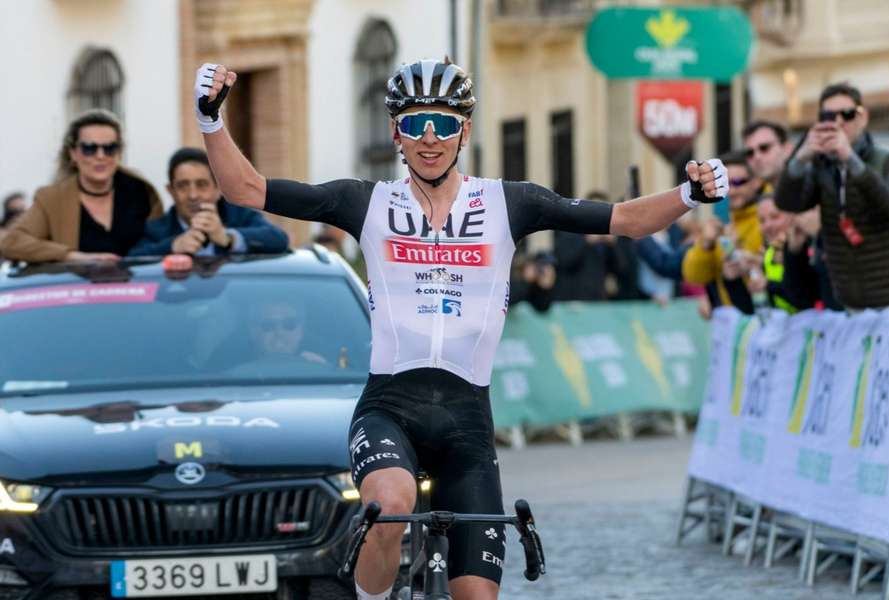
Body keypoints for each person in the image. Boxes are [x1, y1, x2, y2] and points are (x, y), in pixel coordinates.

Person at [192, 58, 728, 600]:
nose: (430, 138)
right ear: (396, 131)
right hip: (389, 407)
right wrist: (212, 120)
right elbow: (246, 189)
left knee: (476, 594)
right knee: (392, 506)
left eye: (444, 124)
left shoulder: (510, 202)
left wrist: (689, 196)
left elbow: (623, 220)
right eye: (416, 123)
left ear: (465, 130)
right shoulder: (366, 201)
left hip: (467, 421)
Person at [775, 82, 889, 310]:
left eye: (848, 114)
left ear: (863, 118)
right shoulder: (822, 166)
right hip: (848, 301)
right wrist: (800, 158)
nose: (839, 121)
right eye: (829, 115)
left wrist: (849, 158)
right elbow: (788, 202)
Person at [0, 110, 163, 263]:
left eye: (110, 148)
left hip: (139, 290)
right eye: (89, 149)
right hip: (76, 291)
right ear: (73, 153)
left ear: (119, 152)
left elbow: (160, 241)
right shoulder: (53, 199)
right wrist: (72, 256)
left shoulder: (142, 192)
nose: (100, 156)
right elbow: (11, 243)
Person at [129, 147, 289, 256]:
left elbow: (279, 239)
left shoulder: (239, 216)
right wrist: (172, 247)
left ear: (218, 189)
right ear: (171, 191)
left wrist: (228, 238)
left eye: (202, 185)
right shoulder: (155, 230)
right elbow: (131, 260)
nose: (193, 195)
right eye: (183, 186)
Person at [682, 151, 764, 315]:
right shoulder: (724, 224)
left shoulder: (767, 218)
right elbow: (693, 276)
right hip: (735, 323)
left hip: (768, 317)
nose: (732, 191)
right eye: (727, 184)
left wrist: (752, 262)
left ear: (756, 182)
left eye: (739, 182)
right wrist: (706, 243)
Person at [742, 119, 792, 189]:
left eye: (764, 148)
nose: (757, 157)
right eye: (750, 153)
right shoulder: (755, 195)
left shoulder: (809, 188)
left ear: (787, 149)